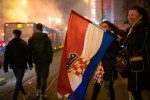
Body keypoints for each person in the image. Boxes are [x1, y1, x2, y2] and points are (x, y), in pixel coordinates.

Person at [117, 6, 150, 100]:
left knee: (135, 91)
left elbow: (137, 45)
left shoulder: (140, 27)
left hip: (138, 65)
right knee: (134, 91)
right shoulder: (135, 27)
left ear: (140, 17)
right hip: (135, 63)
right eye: (128, 15)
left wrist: (122, 40)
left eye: (132, 15)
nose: (129, 17)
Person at [91, 21, 124, 100]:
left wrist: (112, 37)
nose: (103, 27)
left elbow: (114, 52)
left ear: (110, 28)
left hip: (110, 67)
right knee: (96, 87)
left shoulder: (113, 38)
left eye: (105, 26)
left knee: (108, 87)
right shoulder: (99, 38)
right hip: (100, 67)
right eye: (101, 26)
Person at [3, 29, 33, 100]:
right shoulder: (24, 44)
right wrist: (30, 64)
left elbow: (6, 57)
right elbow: (28, 56)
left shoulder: (9, 44)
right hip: (21, 66)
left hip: (13, 66)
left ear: (14, 35)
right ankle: (14, 98)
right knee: (18, 81)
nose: (12, 35)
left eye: (12, 34)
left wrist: (5, 67)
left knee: (18, 81)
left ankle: (24, 93)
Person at [28, 23, 53, 100]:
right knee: (44, 78)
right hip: (45, 61)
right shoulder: (47, 38)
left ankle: (38, 91)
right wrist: (50, 60)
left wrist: (30, 62)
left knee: (38, 76)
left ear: (36, 28)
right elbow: (50, 50)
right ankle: (42, 94)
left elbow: (29, 51)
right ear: (42, 29)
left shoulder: (31, 39)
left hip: (37, 61)